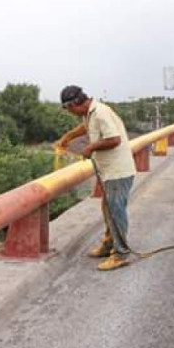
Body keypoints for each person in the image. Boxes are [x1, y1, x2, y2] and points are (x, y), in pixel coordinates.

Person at [55, 85, 137, 271]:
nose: (70, 113)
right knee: (108, 209)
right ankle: (109, 244)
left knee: (115, 211)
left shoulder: (100, 113)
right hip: (109, 171)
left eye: (69, 109)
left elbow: (114, 139)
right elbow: (85, 128)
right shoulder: (89, 113)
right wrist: (68, 136)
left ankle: (120, 254)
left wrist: (91, 148)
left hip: (117, 171)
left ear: (74, 104)